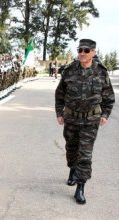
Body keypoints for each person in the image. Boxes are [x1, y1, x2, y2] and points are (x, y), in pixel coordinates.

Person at [55, 39, 115, 205]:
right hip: (71, 119)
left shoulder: (101, 72)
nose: (82, 53)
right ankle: (72, 170)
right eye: (80, 49)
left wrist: (105, 114)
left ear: (93, 52)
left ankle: (80, 187)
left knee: (85, 154)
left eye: (86, 50)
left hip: (90, 121)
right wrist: (59, 113)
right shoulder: (69, 70)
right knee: (71, 149)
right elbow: (60, 94)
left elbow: (109, 97)